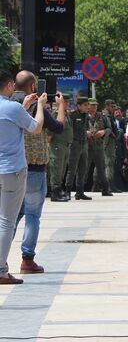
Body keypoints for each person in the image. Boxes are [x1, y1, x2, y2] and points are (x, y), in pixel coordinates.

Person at [11, 72, 66, 274]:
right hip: (34, 168)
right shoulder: (36, 106)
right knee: (33, 215)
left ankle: (1, 259)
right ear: (33, 86)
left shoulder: (7, 104)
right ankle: (27, 258)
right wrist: (61, 107)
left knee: (10, 217)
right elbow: (58, 128)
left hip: (11, 167)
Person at [0, 69, 45, 285]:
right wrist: (41, 108)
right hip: (12, 171)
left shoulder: (14, 108)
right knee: (6, 222)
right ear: (9, 85)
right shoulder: (12, 107)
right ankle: (1, 270)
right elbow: (35, 128)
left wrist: (24, 107)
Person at [85, 99, 113, 196]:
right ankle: (79, 190)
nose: (94, 107)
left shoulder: (102, 116)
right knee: (84, 168)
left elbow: (109, 128)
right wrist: (85, 132)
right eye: (92, 105)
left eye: (96, 105)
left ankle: (105, 189)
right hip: (86, 146)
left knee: (101, 168)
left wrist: (104, 132)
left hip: (98, 146)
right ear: (87, 106)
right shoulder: (83, 116)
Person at [48, 94, 73, 202]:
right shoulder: (55, 114)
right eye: (65, 102)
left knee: (62, 169)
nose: (67, 104)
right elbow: (49, 133)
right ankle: (55, 192)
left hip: (66, 146)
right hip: (57, 145)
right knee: (56, 169)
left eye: (67, 102)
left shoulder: (66, 114)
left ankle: (59, 190)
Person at [66, 98, 92, 200]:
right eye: (85, 105)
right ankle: (67, 191)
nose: (87, 107)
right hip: (75, 144)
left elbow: (85, 128)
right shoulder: (72, 115)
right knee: (72, 169)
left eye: (87, 105)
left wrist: (87, 132)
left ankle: (79, 192)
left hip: (84, 144)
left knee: (83, 169)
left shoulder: (86, 116)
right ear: (79, 106)